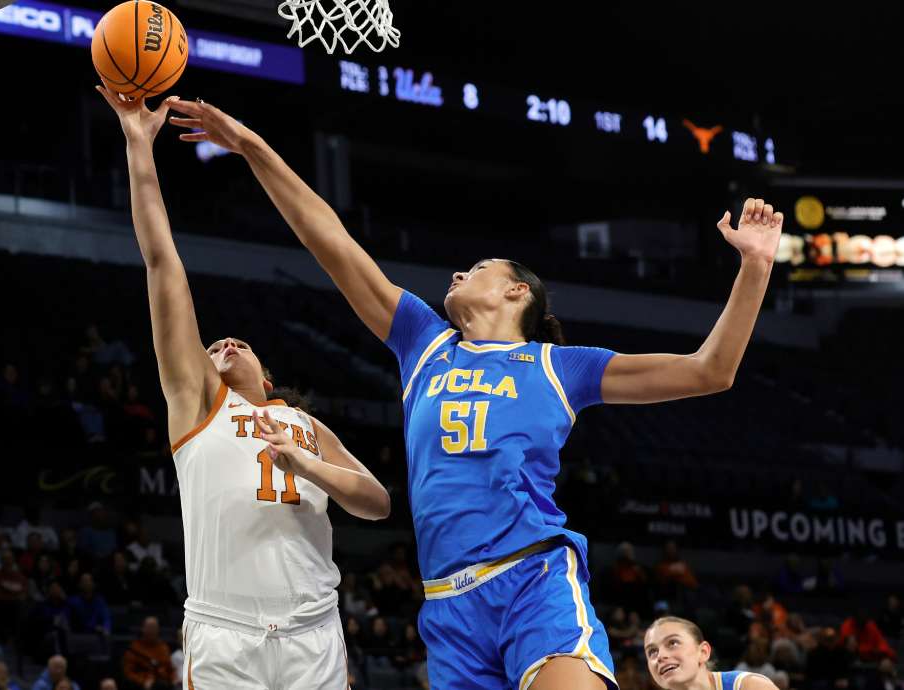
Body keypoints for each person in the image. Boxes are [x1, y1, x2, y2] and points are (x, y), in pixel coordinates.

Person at [165, 96, 785, 690]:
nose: (458, 274)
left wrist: (754, 268)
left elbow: (710, 370)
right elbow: (326, 237)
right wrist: (249, 146)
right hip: (448, 606)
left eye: (479, 268)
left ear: (518, 292)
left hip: (531, 578)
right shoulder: (424, 343)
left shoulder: (561, 367)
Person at [96, 85, 391, 690]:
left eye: (239, 343)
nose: (224, 345)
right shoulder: (200, 403)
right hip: (226, 631)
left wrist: (308, 465)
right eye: (213, 347)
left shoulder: (307, 426)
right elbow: (162, 265)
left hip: (313, 628)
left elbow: (377, 502)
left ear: (270, 376)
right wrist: (138, 149)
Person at [643, 617, 775, 690]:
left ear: (703, 652)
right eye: (652, 651)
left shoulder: (749, 686)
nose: (660, 656)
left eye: (673, 643)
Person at [120, 619, 172, 690]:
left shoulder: (163, 648)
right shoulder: (134, 648)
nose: (151, 631)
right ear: (143, 629)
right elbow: (128, 672)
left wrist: (174, 679)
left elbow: (170, 669)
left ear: (158, 630)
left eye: (154, 628)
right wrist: (143, 681)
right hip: (141, 684)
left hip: (161, 683)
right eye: (149, 627)